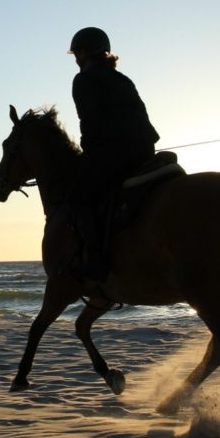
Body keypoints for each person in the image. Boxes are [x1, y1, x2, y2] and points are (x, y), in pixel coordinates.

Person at [66, 26, 159, 286]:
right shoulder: (121, 78)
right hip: (144, 150)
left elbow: (90, 123)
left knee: (78, 198)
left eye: (76, 53)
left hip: (114, 152)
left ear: (83, 53)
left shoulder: (84, 79)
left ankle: (96, 261)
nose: (75, 59)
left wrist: (88, 153)